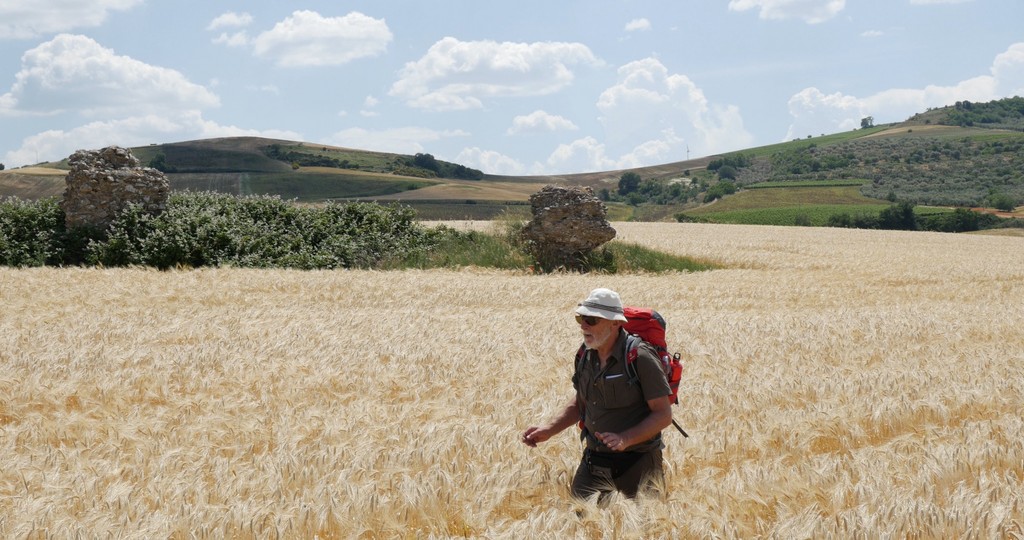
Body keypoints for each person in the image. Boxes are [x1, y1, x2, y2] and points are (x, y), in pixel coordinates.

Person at [522, 288, 673, 501]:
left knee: (644, 521)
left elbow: (663, 415)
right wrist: (549, 429)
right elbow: (580, 402)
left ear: (615, 323)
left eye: (592, 320)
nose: (583, 325)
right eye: (581, 318)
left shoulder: (640, 357)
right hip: (594, 460)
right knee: (578, 517)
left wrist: (625, 439)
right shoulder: (585, 355)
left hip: (638, 462)